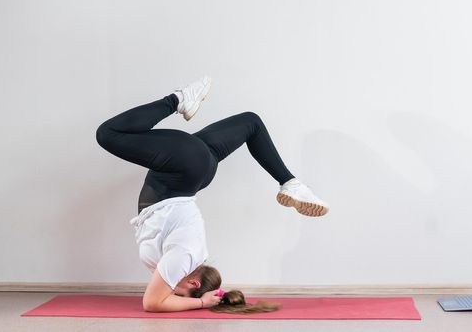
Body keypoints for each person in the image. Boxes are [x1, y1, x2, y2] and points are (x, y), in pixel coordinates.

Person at [95, 76, 329, 313]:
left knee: (251, 122)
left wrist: (211, 297)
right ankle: (177, 99)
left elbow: (163, 294)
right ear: (194, 283)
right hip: (182, 171)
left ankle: (291, 183)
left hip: (196, 173)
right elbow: (153, 303)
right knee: (108, 133)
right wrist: (200, 302)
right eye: (178, 293)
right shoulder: (183, 260)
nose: (171, 292)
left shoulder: (192, 254)